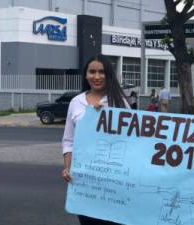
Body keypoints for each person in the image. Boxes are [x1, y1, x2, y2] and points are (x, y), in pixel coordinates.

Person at [61, 54, 130, 225]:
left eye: (102, 72)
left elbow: (133, 139)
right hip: (84, 182)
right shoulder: (76, 102)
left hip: (114, 181)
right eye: (92, 72)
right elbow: (68, 141)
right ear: (85, 75)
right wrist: (67, 167)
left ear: (109, 75)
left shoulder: (120, 102)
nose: (97, 77)